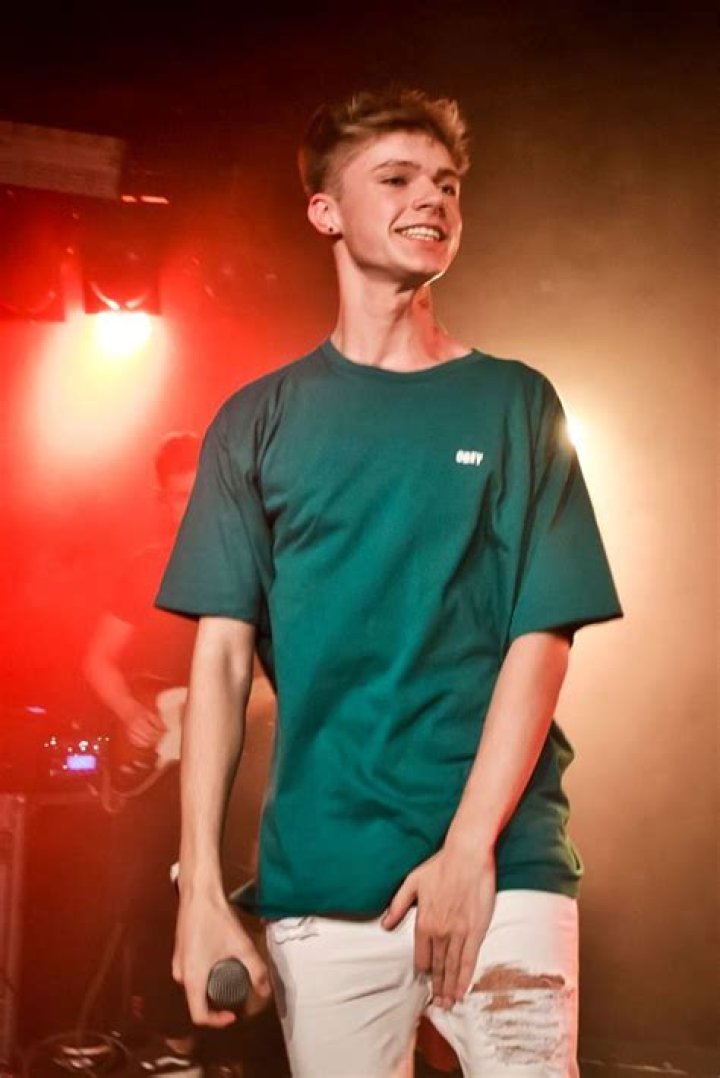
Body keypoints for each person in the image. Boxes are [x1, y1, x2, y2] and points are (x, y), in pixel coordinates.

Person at [156, 87, 624, 1077]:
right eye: (398, 178)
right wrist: (199, 889)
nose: (432, 199)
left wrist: (467, 850)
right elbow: (221, 664)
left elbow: (542, 641)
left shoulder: (517, 402)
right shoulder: (255, 422)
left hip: (502, 868)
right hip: (324, 877)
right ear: (325, 210)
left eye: (447, 183)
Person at [83, 431, 201, 1071]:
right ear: (163, 500)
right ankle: (163, 1033)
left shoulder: (254, 569)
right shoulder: (145, 569)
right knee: (142, 897)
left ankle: (216, 1040)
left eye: (200, 491)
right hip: (158, 769)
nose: (192, 505)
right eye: (180, 495)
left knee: (216, 894)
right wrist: (131, 712)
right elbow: (98, 659)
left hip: (230, 769)